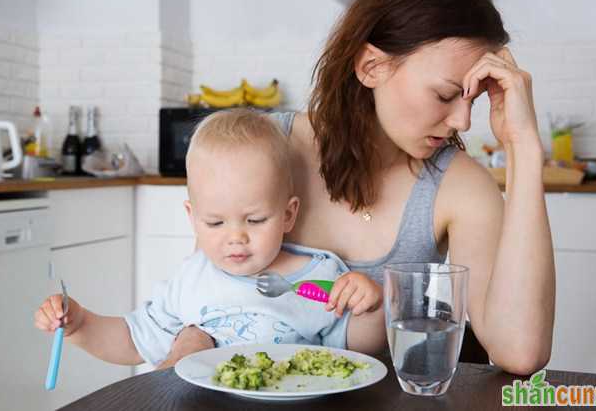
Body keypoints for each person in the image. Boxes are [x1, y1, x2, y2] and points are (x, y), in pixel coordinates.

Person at [163, 0, 555, 375]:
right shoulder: (262, 150)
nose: (463, 121)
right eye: (445, 96)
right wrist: (187, 343)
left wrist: (524, 148)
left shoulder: (460, 187)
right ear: (371, 67)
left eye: (471, 99)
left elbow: (521, 351)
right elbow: (205, 293)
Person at [34, 109, 386, 369]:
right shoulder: (192, 279)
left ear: (288, 215)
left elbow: (356, 352)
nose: (236, 238)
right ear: (192, 218)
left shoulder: (320, 277)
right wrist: (80, 324)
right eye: (215, 222)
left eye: (256, 220)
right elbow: (133, 341)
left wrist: (369, 308)